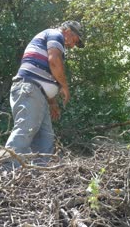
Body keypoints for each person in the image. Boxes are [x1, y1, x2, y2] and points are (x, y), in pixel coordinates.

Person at [5, 21, 85, 167]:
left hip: (38, 94)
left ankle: (38, 176)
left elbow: (47, 75)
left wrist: (52, 102)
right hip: (29, 89)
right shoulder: (55, 34)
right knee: (26, 130)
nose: (73, 45)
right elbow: (54, 61)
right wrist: (64, 86)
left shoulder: (53, 39)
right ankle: (7, 172)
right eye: (75, 40)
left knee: (45, 138)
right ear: (67, 31)